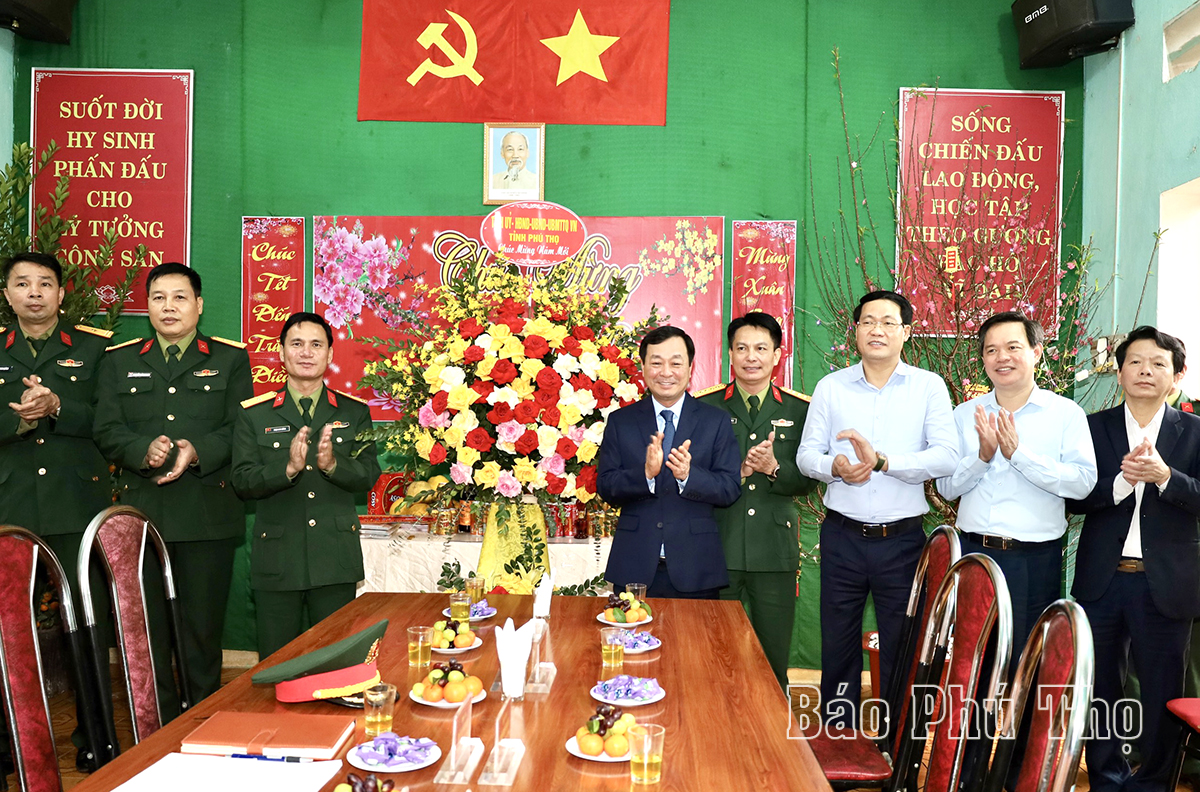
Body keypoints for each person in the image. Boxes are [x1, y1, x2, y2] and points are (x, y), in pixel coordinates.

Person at [94, 262, 253, 717]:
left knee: (201, 633)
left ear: (199, 305)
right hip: (142, 515)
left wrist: (195, 450)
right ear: (147, 306)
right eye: (159, 297)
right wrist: (141, 449)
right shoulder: (120, 359)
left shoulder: (228, 358)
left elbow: (239, 428)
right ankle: (157, 729)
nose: (169, 306)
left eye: (180, 297)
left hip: (207, 515)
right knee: (149, 634)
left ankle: (203, 722)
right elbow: (106, 428)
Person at [796, 289, 957, 728]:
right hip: (842, 536)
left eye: (888, 322)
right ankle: (837, 737)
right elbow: (806, 456)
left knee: (902, 643)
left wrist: (886, 462)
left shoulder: (928, 387)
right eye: (868, 321)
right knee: (839, 643)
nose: (877, 330)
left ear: (906, 332)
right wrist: (837, 467)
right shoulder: (831, 387)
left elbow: (946, 456)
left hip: (903, 541)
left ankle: (895, 745)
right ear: (855, 331)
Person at [1068, 326, 1200, 792]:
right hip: (1102, 582)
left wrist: (1167, 477)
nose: (1146, 370)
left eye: (1158, 363)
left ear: (1176, 375)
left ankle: (1153, 782)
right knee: (1100, 687)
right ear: (1119, 372)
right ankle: (1106, 778)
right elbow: (1072, 498)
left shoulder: (1195, 432)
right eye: (1136, 362)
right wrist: (1120, 486)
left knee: (1165, 691)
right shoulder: (1091, 427)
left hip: (1165, 583)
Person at [0, 251, 113, 771]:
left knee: (84, 625)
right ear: (7, 294)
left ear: (62, 293)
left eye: (45, 283)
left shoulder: (95, 348)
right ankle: (8, 744)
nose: (34, 293)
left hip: (75, 502)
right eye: (22, 284)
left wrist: (59, 408)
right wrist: (22, 422)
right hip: (12, 504)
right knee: (8, 629)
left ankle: (97, 735)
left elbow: (112, 422)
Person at [936, 312, 1096, 653]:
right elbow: (945, 488)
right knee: (971, 659)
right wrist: (981, 457)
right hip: (974, 553)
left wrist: (1018, 455)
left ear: (1037, 352)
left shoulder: (1065, 414)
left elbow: (1083, 483)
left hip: (1034, 560)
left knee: (1025, 663)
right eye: (991, 350)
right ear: (982, 359)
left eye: (1012, 347)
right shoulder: (965, 414)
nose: (1001, 357)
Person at [232, 312, 380, 659]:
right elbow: (242, 481)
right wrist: (286, 468)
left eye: (317, 344)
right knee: (276, 663)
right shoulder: (255, 413)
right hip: (278, 558)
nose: (306, 352)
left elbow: (368, 474)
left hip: (334, 556)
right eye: (296, 344)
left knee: (337, 661)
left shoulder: (354, 411)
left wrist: (332, 465)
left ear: (330, 355)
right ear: (281, 353)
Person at [696, 312, 816, 689]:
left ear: (778, 355)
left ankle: (773, 742)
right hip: (718, 545)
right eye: (743, 348)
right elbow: (690, 477)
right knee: (713, 655)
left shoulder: (799, 410)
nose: (752, 357)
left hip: (774, 550)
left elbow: (810, 481)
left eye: (761, 348)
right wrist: (738, 473)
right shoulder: (705, 407)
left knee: (773, 660)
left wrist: (775, 468)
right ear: (729, 354)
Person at [598, 325, 742, 599]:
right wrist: (646, 475)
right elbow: (606, 486)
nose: (666, 372)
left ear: (690, 369)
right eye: (656, 363)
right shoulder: (621, 421)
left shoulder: (715, 421)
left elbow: (729, 488)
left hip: (696, 568)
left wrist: (689, 475)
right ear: (643, 368)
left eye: (676, 363)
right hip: (634, 568)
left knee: (696, 643)